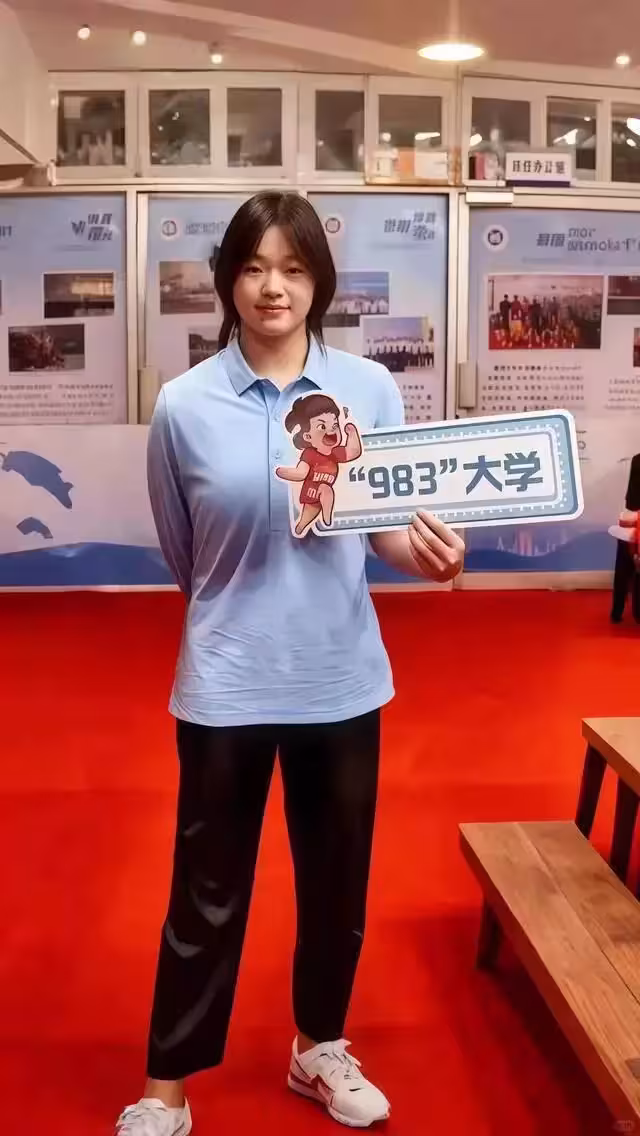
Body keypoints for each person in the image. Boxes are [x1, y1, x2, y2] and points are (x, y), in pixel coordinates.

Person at [115, 191, 464, 1136]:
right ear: (229, 280)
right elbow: (186, 554)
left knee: (336, 886)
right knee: (206, 894)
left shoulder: (370, 390)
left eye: (295, 268)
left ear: (320, 283)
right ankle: (166, 1086)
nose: (274, 287)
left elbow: (382, 530)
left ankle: (319, 1048)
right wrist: (238, 609)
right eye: (256, 267)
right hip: (226, 684)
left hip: (341, 680)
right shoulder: (185, 405)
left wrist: (426, 555)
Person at [611, 453, 640, 624]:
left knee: (624, 566)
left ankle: (617, 610)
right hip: (634, 522)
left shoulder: (637, 459)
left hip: (629, 518)